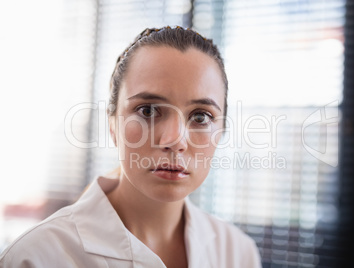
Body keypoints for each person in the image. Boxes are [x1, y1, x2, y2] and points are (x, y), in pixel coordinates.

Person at [0, 26, 262, 268]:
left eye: (201, 117)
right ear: (112, 123)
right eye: (147, 110)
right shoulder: (35, 257)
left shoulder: (238, 254)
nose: (175, 140)